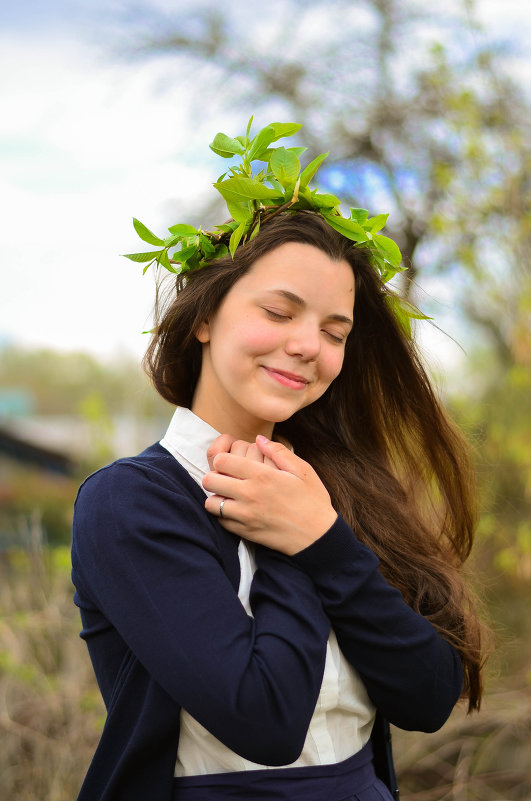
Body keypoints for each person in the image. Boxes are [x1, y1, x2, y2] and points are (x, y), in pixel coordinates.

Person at [71, 121, 485, 801]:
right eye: (279, 310)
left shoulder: (341, 490)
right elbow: (264, 719)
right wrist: (297, 544)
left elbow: (428, 694)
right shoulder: (129, 503)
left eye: (333, 331)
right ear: (204, 316)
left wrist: (325, 540)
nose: (305, 346)